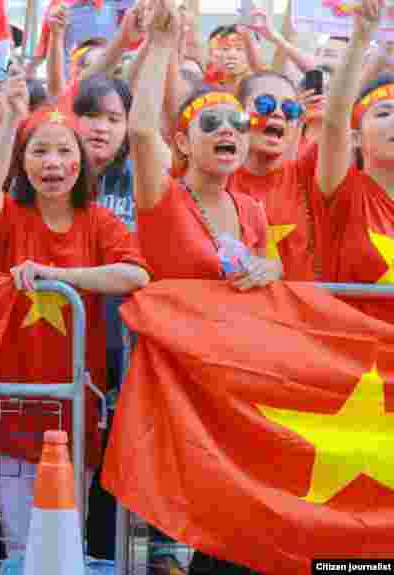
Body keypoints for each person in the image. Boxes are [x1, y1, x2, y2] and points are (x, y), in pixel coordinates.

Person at [0, 65, 150, 562]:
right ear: (21, 162)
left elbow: (135, 275)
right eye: (39, 150)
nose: (53, 162)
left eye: (64, 150)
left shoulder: (100, 221)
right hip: (10, 410)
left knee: (62, 545)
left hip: (76, 411)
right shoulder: (10, 217)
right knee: (19, 545)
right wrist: (7, 125)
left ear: (82, 161)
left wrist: (57, 276)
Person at [130, 0, 281, 571]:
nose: (228, 132)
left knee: (232, 525)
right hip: (176, 385)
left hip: (236, 386)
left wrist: (271, 269)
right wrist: (164, 44)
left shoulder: (251, 208)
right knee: (181, 529)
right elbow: (142, 130)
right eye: (210, 124)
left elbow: (272, 273)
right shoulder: (162, 199)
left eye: (237, 125)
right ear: (184, 143)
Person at [316, 0, 394, 319]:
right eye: (384, 113)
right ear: (356, 138)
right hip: (357, 360)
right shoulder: (345, 193)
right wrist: (361, 39)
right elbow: (334, 121)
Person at [229, 71, 325, 281]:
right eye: (265, 104)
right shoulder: (213, 176)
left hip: (300, 310)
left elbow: (339, 122)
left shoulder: (308, 174)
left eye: (290, 109)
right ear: (239, 114)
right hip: (232, 309)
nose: (279, 114)